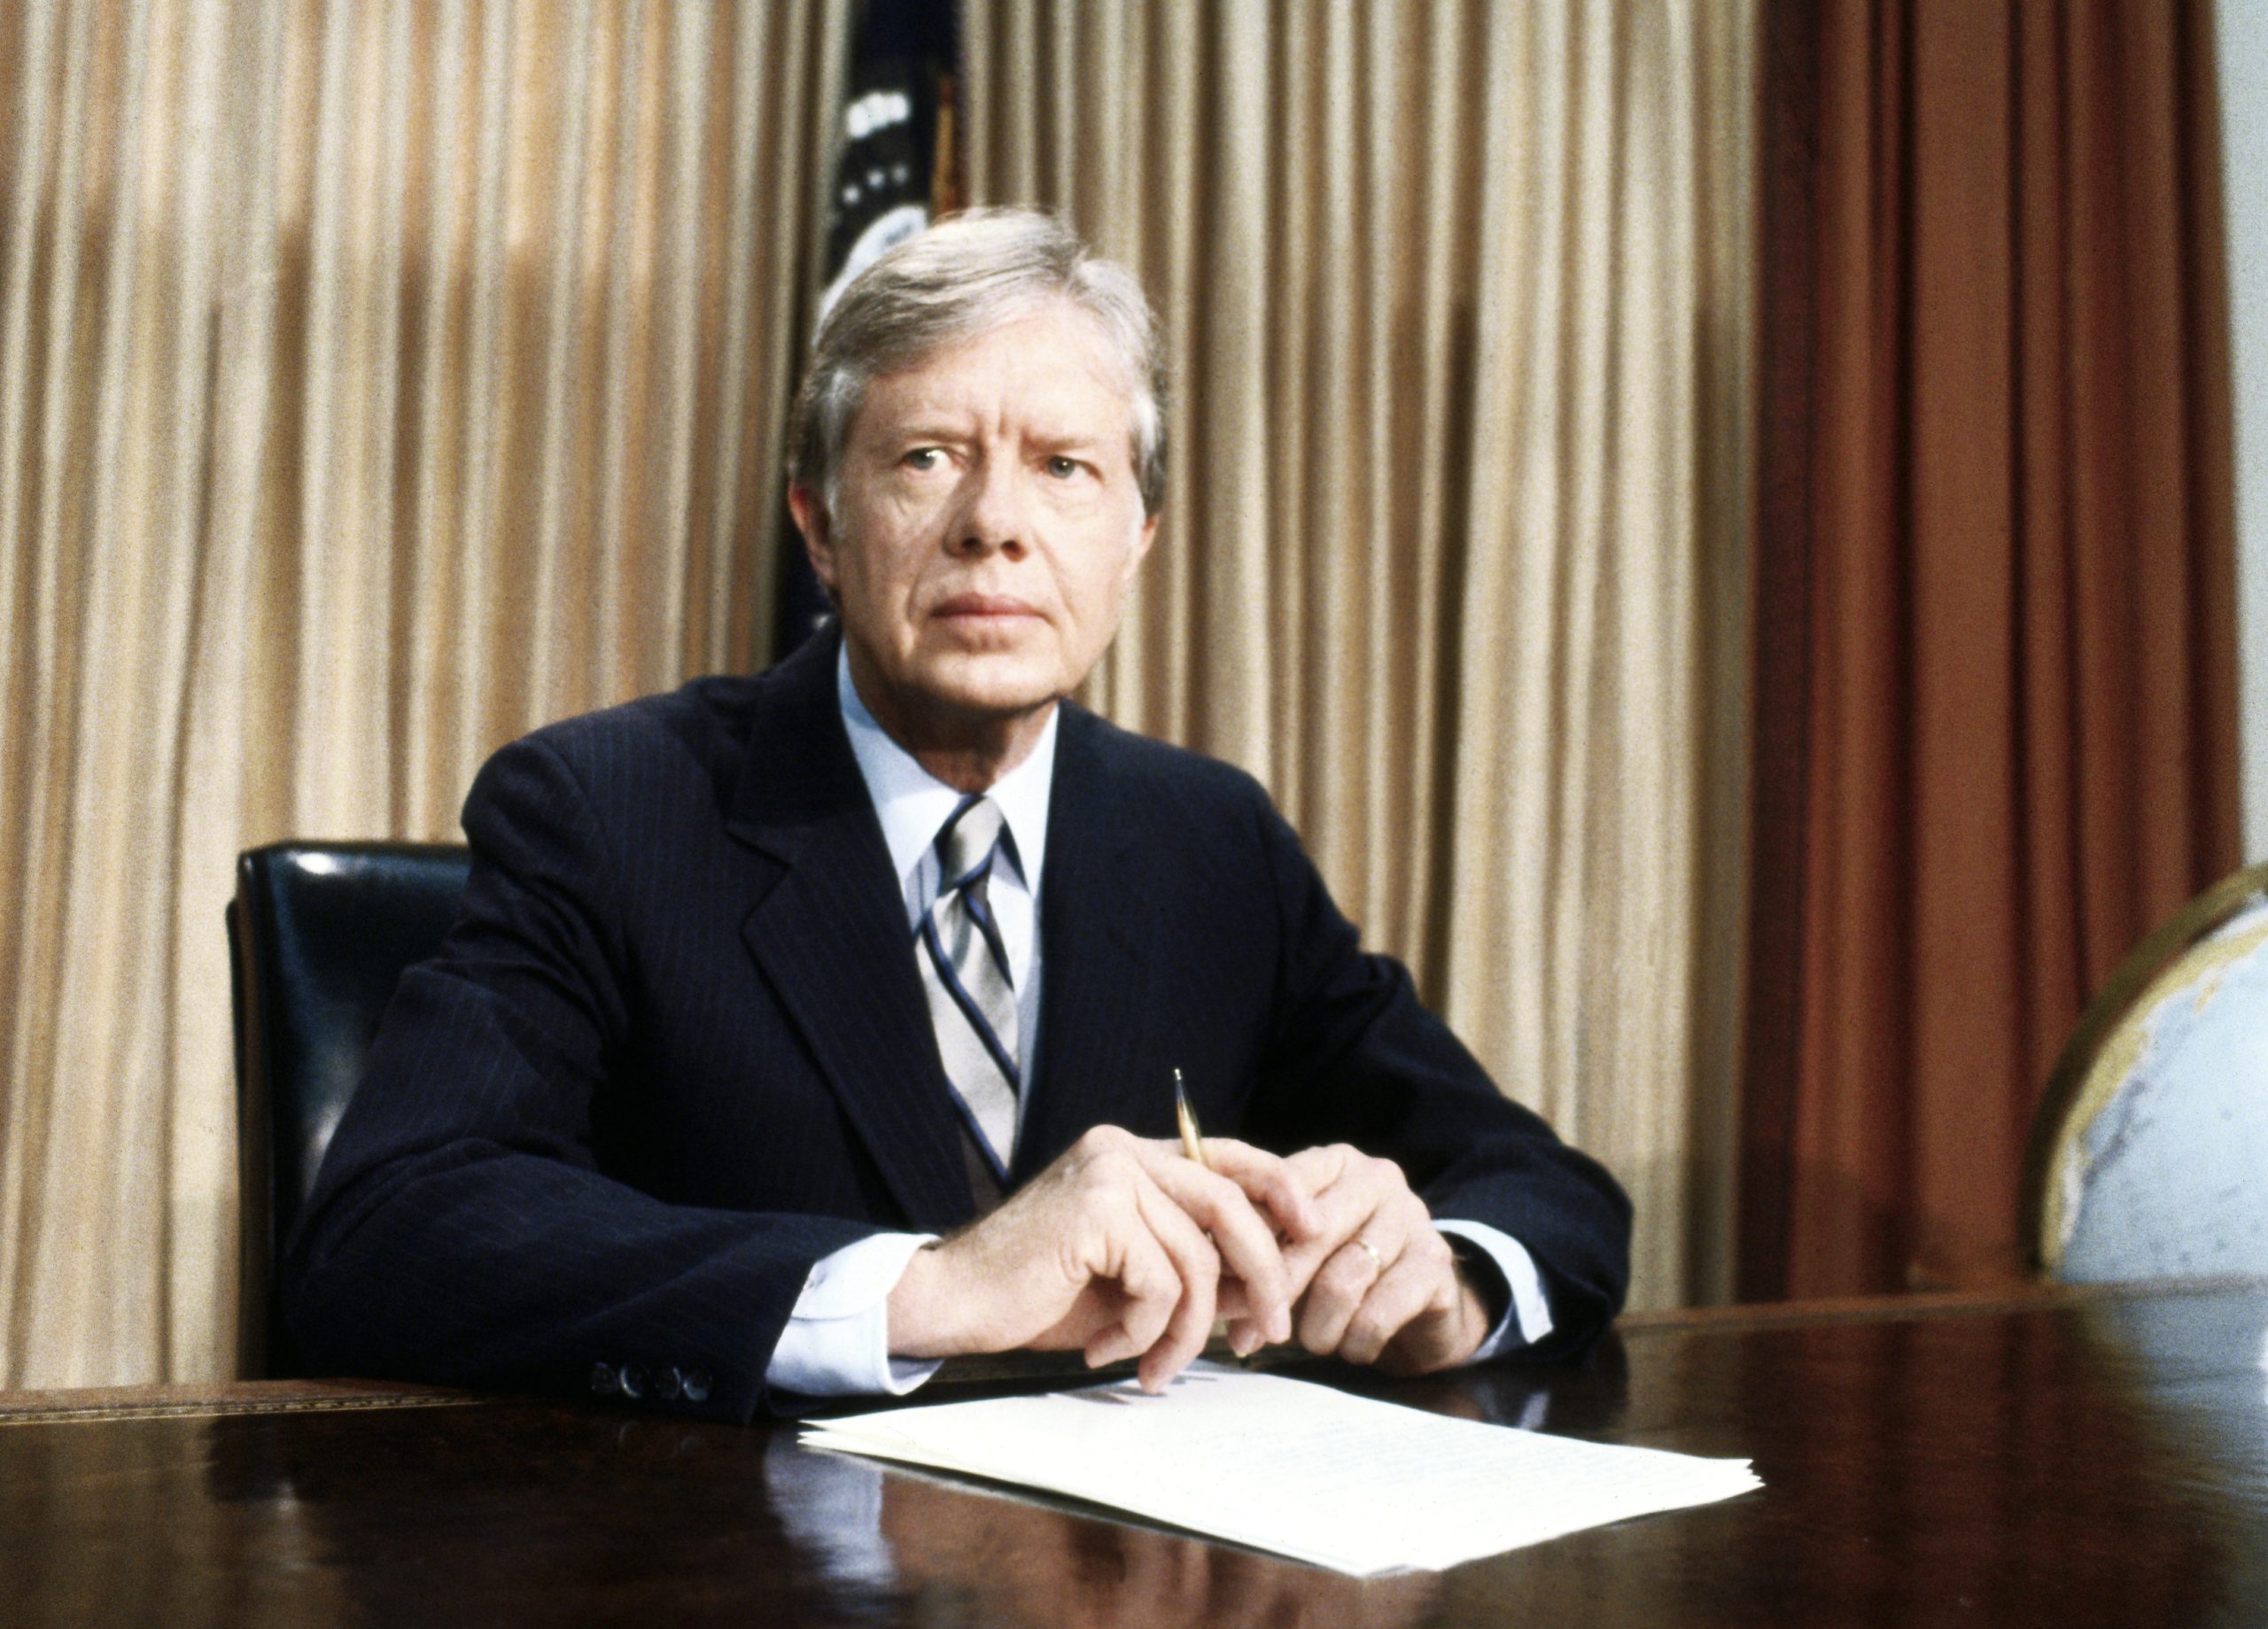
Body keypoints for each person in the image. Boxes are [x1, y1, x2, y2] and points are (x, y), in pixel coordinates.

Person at [284, 208, 1630, 1422]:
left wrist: (1447, 1279)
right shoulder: (606, 807)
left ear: (1135, 541)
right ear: (821, 525)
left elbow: (1543, 1187)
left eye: (1063, 467)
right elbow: (389, 1232)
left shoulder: (1209, 840)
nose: (996, 523)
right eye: (928, 458)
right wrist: (930, 1288)